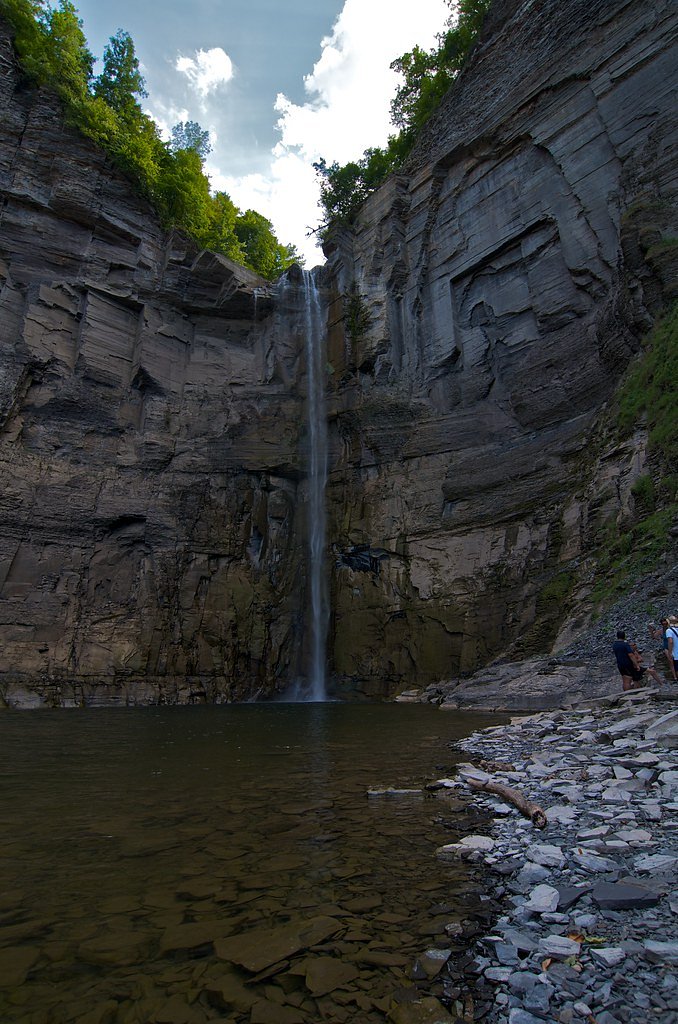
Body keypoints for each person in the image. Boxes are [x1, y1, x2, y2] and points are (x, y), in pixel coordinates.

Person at [649, 617, 678, 681]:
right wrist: (651, 630)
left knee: (675, 661)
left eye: (665, 624)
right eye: (663, 624)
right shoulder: (661, 631)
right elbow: (654, 637)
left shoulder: (671, 630)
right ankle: (675, 676)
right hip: (666, 647)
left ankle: (676, 675)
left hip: (674, 646)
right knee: (671, 662)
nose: (664, 625)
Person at [666, 616, 678, 681]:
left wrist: (670, 652)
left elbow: (670, 641)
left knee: (676, 668)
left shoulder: (669, 630)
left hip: (676, 653)